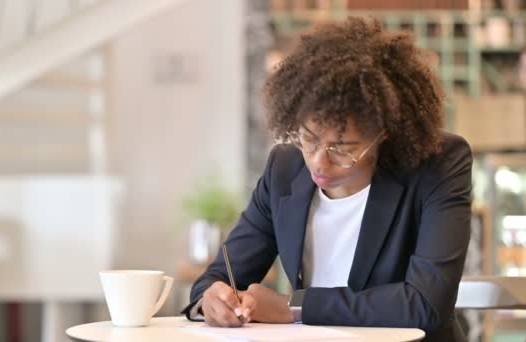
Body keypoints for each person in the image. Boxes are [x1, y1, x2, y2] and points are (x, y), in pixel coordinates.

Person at [182, 17, 472, 342]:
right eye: (309, 139)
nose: (318, 161)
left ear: (384, 135)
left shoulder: (437, 165)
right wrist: (210, 299)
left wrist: (295, 307)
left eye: (342, 148)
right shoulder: (284, 169)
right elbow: (219, 277)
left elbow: (425, 303)